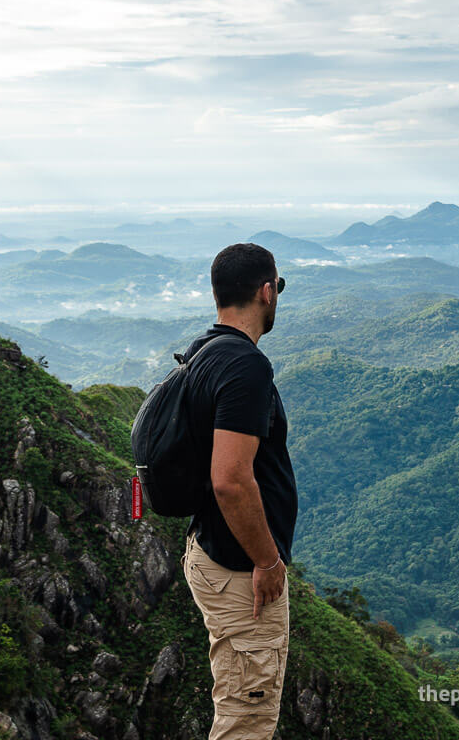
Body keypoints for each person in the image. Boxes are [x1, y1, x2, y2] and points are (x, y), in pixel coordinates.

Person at [180, 242, 298, 740]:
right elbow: (230, 480)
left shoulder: (205, 351)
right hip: (238, 574)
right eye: (279, 288)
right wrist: (268, 563)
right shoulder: (246, 366)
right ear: (267, 292)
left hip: (209, 551)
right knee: (245, 720)